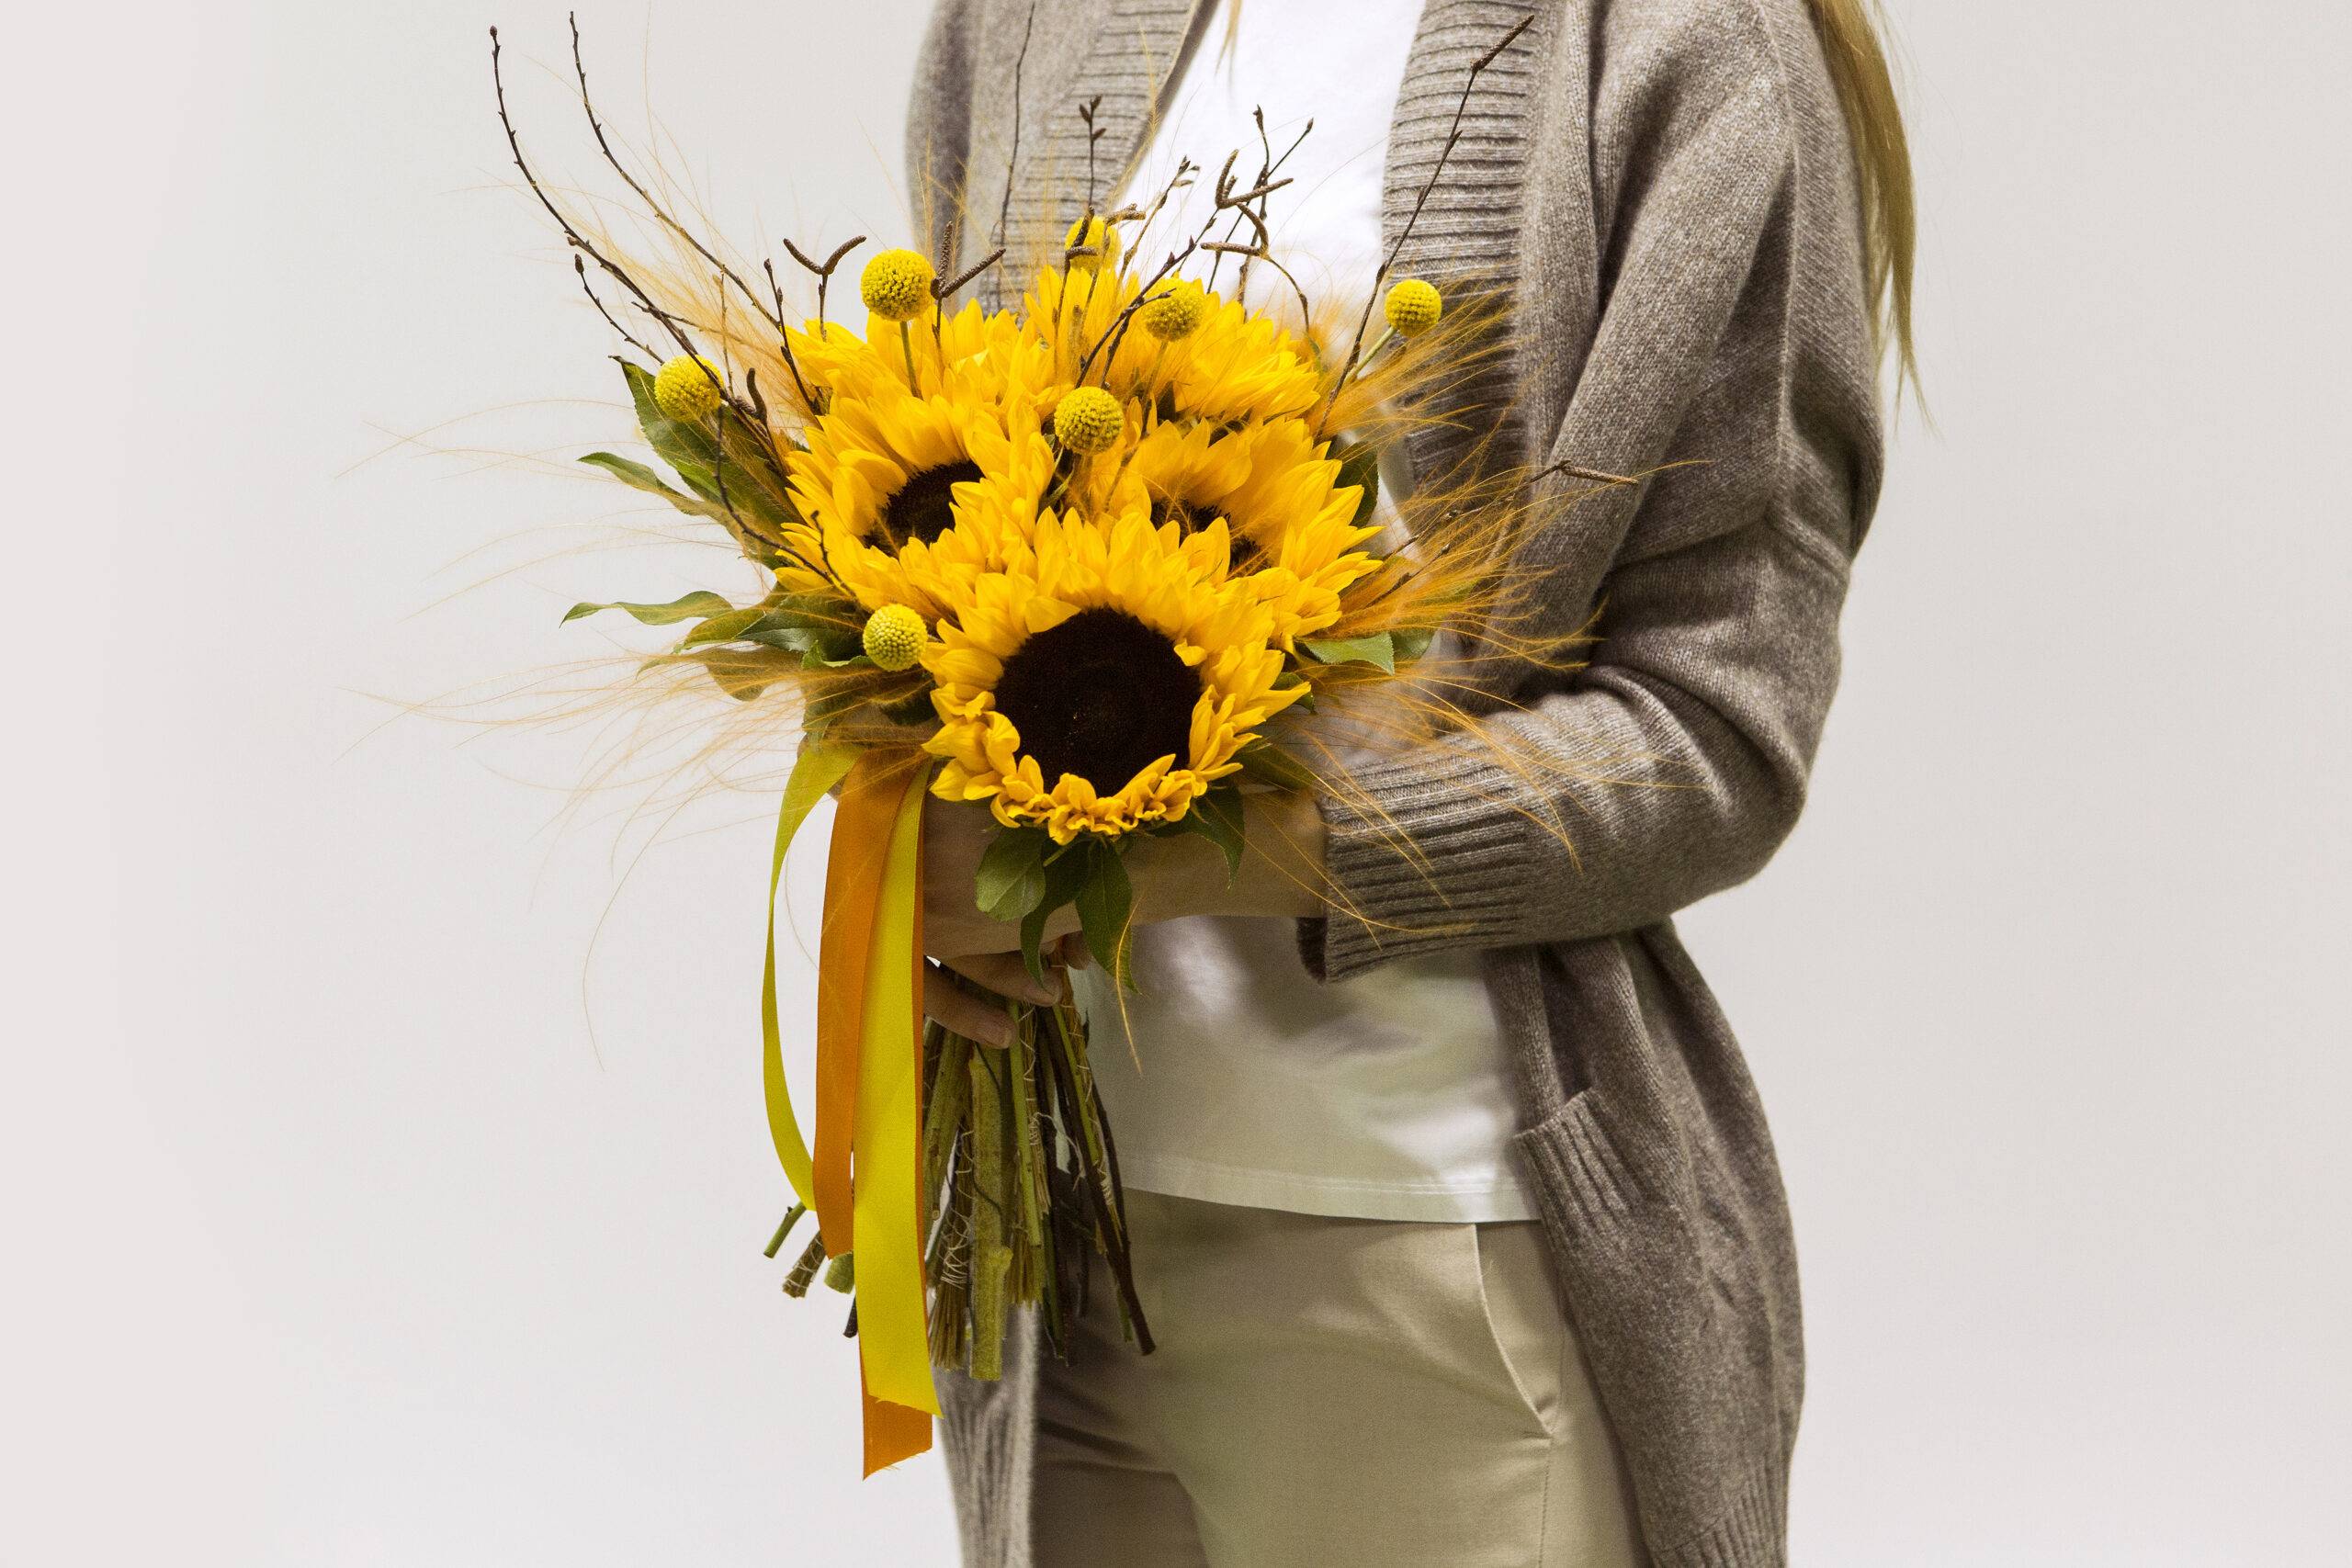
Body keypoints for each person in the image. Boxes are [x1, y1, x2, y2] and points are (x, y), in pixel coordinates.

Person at [907, 1, 1913, 1562]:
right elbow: (932, 544)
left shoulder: (1679, 48)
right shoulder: (1024, 21)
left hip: (1432, 1248)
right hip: (1057, 1262)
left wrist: (1183, 855)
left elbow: (1713, 724)